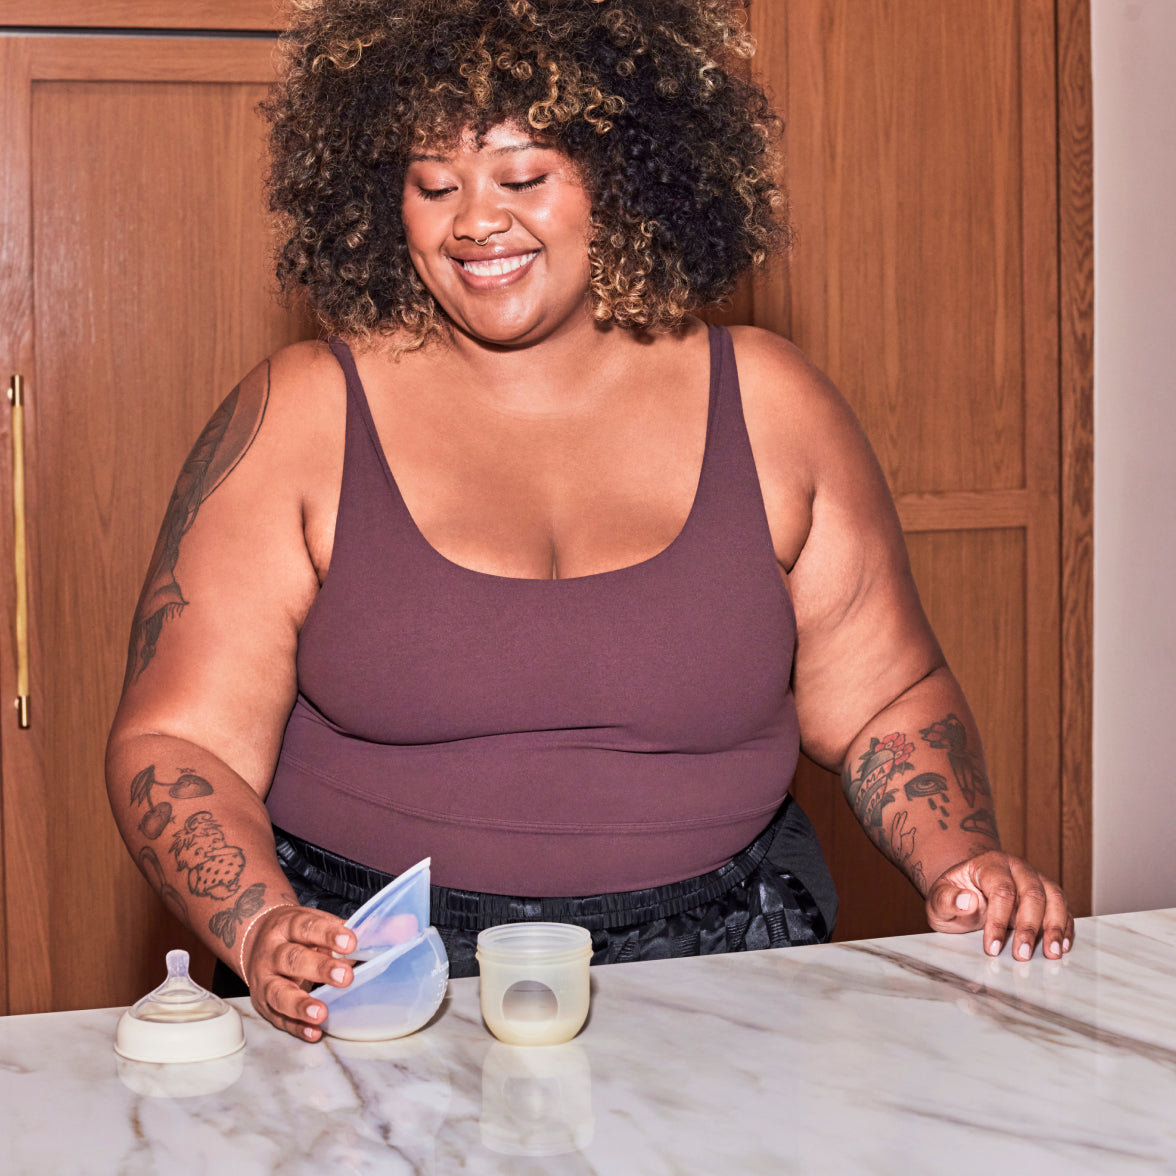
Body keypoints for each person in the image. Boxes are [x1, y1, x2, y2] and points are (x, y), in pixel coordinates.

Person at [106, 0, 1073, 1044]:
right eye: (435, 183)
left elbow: (887, 697)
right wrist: (257, 929)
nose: (474, 220)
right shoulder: (299, 415)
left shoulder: (772, 402)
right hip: (372, 980)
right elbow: (180, 737)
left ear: (631, 171)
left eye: (523, 178)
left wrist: (962, 858)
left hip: (727, 974)